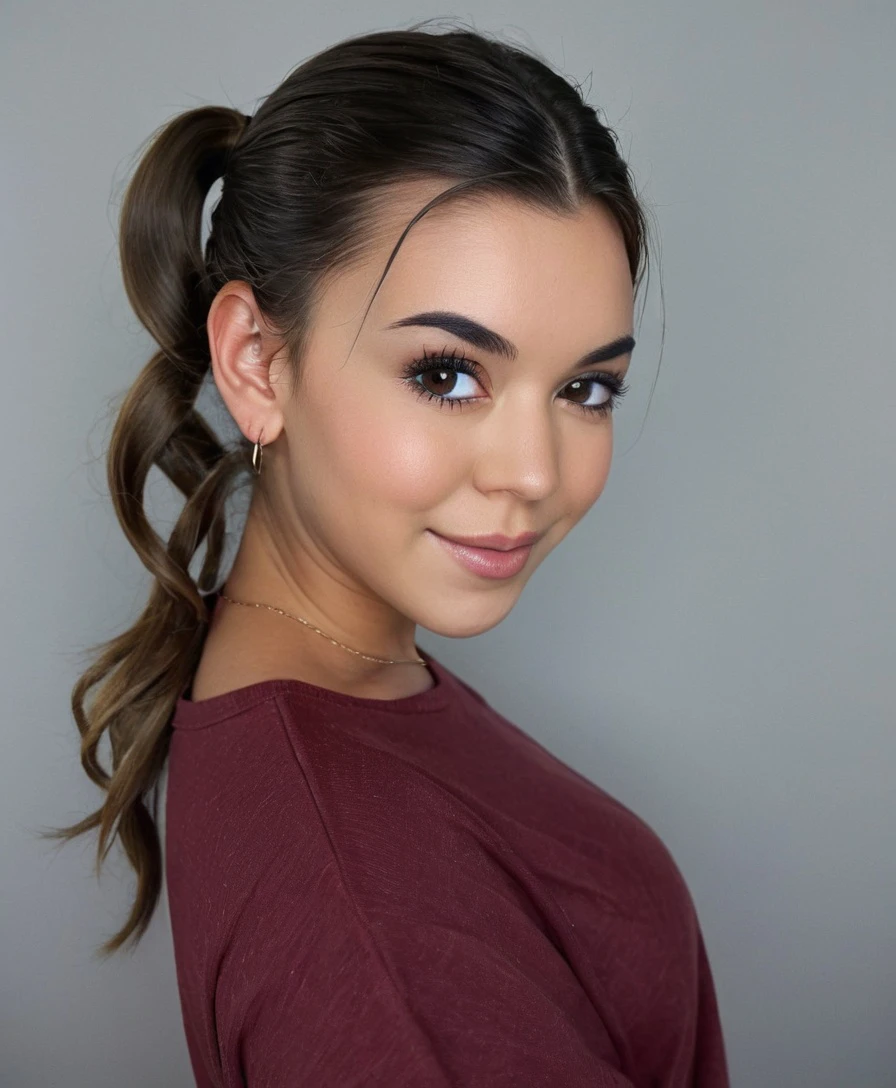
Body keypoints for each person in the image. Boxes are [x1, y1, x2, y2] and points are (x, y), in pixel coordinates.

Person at [46, 19, 730, 1087]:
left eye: (583, 387)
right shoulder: (369, 928)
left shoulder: (341, 679)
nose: (533, 471)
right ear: (258, 361)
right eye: (446, 374)